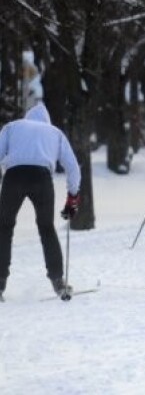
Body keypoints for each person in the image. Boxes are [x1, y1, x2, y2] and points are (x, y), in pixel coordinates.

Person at [0, 103, 81, 299]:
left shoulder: (12, 127)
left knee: (4, 226)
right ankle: (58, 280)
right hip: (41, 178)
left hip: (14, 176)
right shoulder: (54, 132)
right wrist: (72, 197)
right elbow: (72, 166)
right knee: (46, 228)